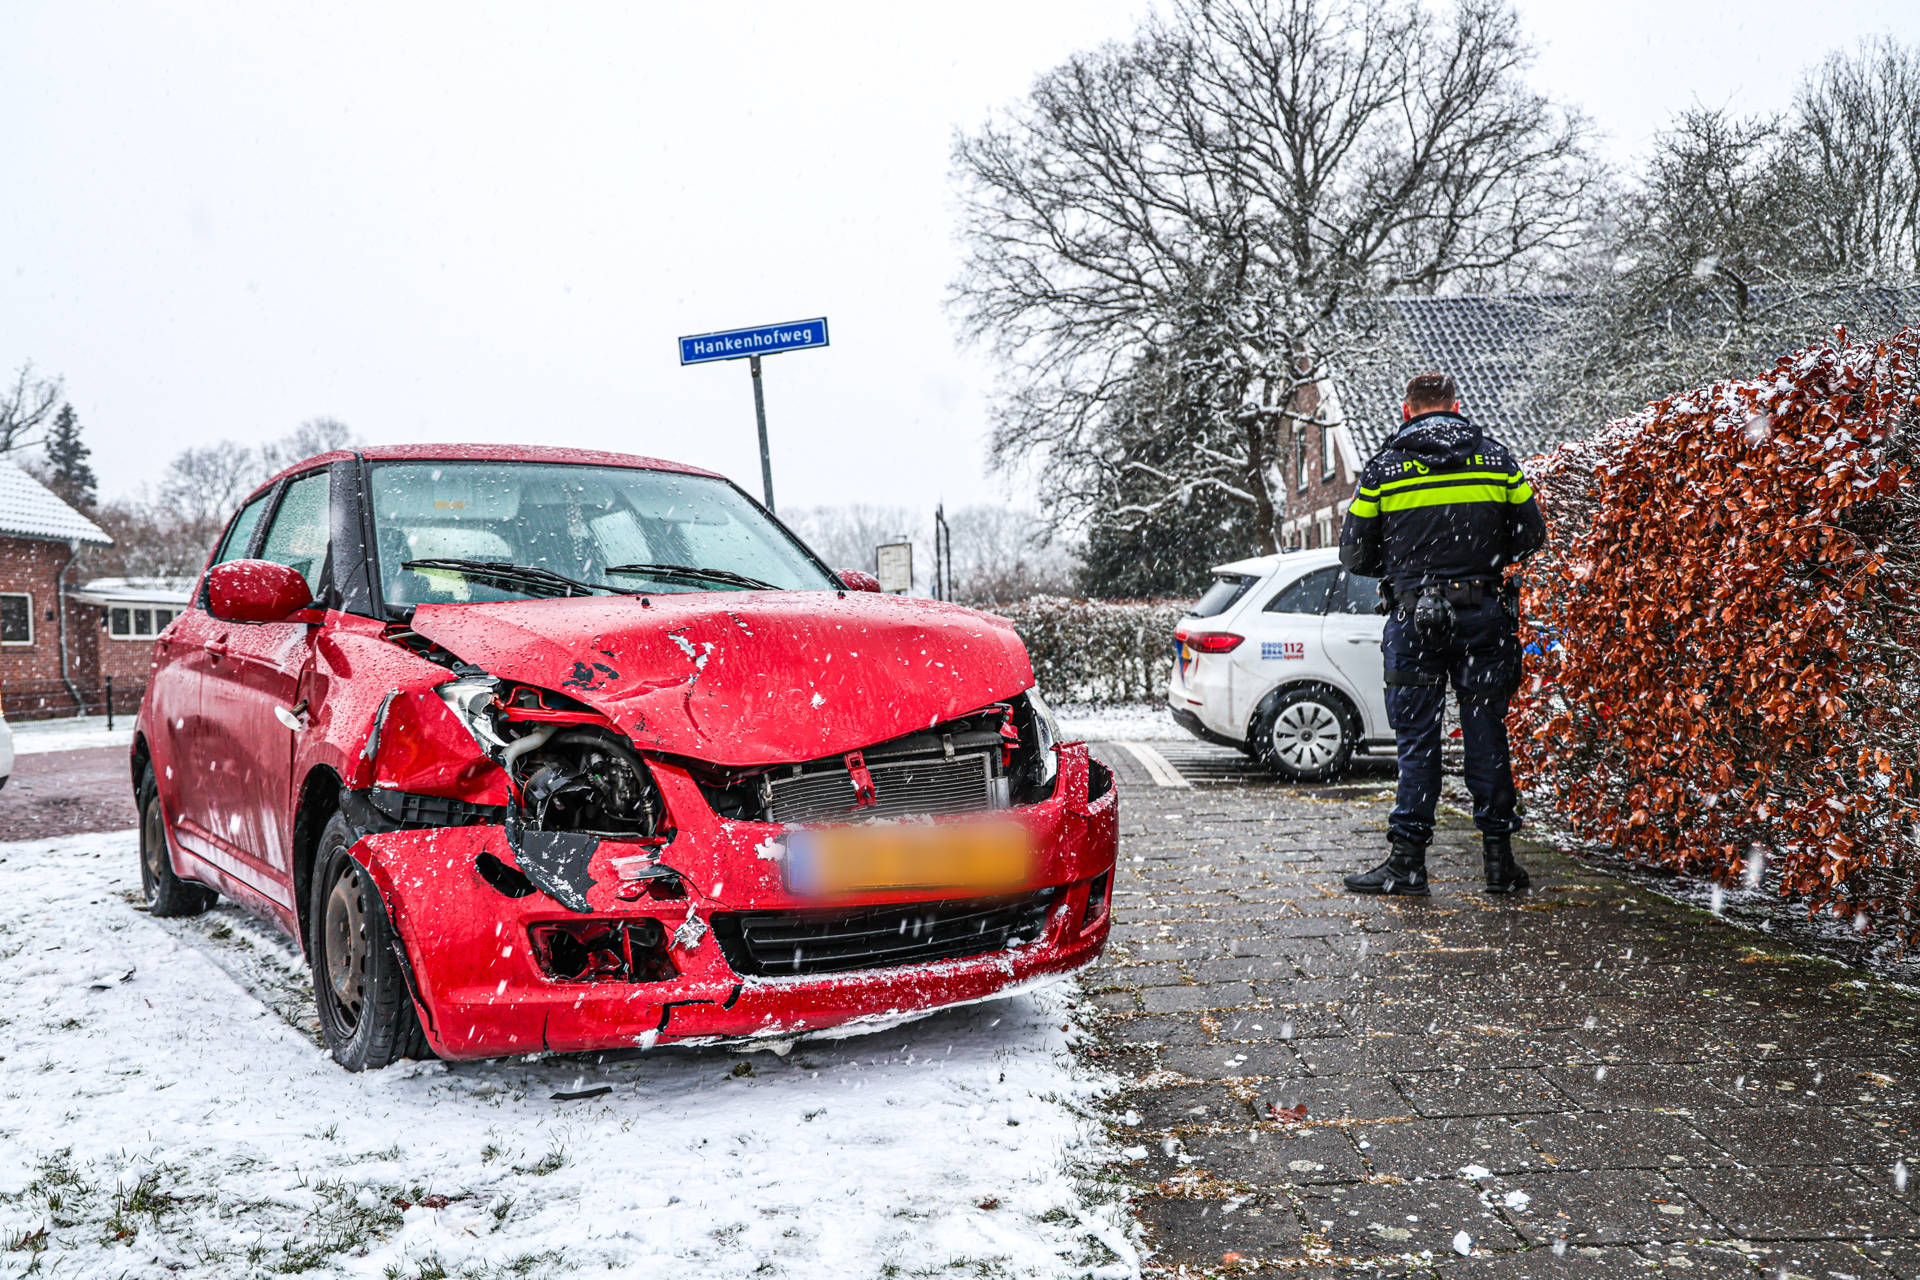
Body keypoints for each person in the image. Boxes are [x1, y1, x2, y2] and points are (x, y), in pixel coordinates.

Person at [1337, 372, 1547, 896]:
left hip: (1414, 620)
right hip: (1484, 617)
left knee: (1417, 741)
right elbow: (1531, 534)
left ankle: (1407, 864)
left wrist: (1407, 570)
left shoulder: (1383, 471)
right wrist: (1481, 560)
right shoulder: (1497, 461)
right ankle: (1499, 863)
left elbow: (1354, 554)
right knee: (1486, 735)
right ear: (1456, 407)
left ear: (1406, 411)